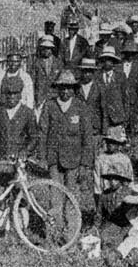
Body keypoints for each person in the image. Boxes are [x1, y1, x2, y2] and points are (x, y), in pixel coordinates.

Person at [0, 80, 38, 217]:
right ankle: (1, 226)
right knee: (0, 194)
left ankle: (21, 226)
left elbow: (34, 137)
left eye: (15, 94)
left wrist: (25, 151)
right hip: (1, 159)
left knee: (20, 193)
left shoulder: (27, 113)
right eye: (8, 94)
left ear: (20, 95)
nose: (11, 97)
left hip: (18, 161)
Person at [42, 70, 93, 210]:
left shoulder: (80, 107)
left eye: (69, 88)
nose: (65, 91)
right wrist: (43, 157)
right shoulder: (49, 106)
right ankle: (54, 228)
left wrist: (84, 163)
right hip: (54, 158)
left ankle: (71, 228)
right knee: (55, 195)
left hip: (74, 159)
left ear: (74, 89)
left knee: (71, 196)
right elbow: (42, 132)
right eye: (62, 87)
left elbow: (87, 136)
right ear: (57, 88)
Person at [103, 182, 138, 264]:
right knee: (128, 242)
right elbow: (127, 227)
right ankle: (118, 254)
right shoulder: (132, 212)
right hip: (133, 235)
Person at [93, 126, 134, 226]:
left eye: (114, 142)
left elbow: (130, 181)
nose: (110, 145)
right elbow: (97, 182)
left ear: (119, 144)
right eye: (108, 142)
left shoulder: (124, 160)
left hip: (122, 196)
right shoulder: (100, 159)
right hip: (106, 195)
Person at [96, 46, 128, 134]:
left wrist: (125, 117)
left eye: (110, 60)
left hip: (117, 117)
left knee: (116, 144)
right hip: (101, 118)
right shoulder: (97, 76)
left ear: (114, 62)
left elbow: (125, 98)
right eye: (105, 60)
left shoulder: (120, 76)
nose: (107, 63)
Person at [31, 35, 63, 115]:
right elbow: (32, 81)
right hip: (40, 97)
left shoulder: (58, 63)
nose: (46, 51)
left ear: (52, 49)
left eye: (48, 48)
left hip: (54, 96)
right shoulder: (36, 63)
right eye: (44, 48)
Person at [76, 57, 102, 152]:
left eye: (89, 72)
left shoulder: (99, 87)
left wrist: (103, 131)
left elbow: (103, 109)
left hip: (94, 126)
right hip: (80, 125)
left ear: (93, 73)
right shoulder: (76, 87)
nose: (86, 74)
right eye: (84, 71)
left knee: (94, 151)